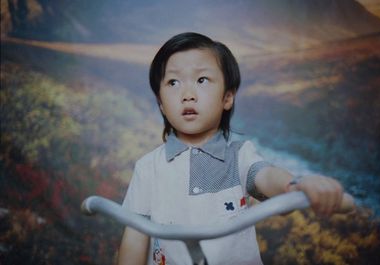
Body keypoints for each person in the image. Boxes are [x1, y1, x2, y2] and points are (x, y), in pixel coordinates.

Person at [118, 32, 345, 265]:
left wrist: (296, 184)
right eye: (173, 82)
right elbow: (134, 239)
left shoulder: (240, 156)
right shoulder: (148, 168)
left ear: (227, 97)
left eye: (202, 80)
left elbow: (267, 177)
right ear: (161, 104)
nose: (187, 95)